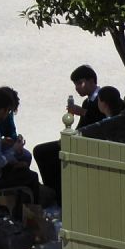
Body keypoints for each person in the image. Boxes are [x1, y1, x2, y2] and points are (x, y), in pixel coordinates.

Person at [33, 65, 104, 194]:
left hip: (91, 145)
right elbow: (83, 125)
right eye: (75, 84)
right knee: (42, 151)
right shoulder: (88, 102)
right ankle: (56, 190)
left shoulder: (102, 98)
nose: (77, 88)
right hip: (80, 141)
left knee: (42, 152)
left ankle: (57, 192)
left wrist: (82, 112)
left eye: (80, 83)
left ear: (92, 81)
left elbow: (101, 120)